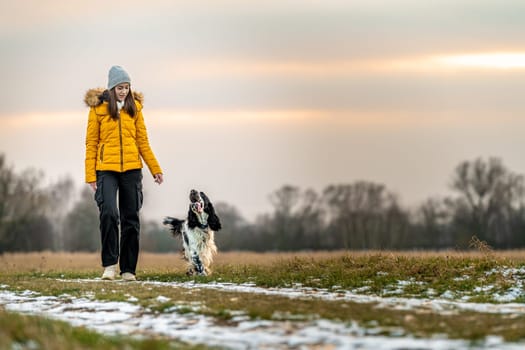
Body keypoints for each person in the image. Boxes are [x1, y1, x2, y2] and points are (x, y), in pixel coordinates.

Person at [84, 65, 163, 281]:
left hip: (132, 170)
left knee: (131, 218)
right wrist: (91, 175)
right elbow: (91, 143)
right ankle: (110, 266)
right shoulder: (98, 109)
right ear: (112, 88)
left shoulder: (135, 108)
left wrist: (155, 169)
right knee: (108, 212)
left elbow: (142, 142)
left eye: (127, 87)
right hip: (105, 170)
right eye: (120, 87)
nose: (124, 91)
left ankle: (128, 270)